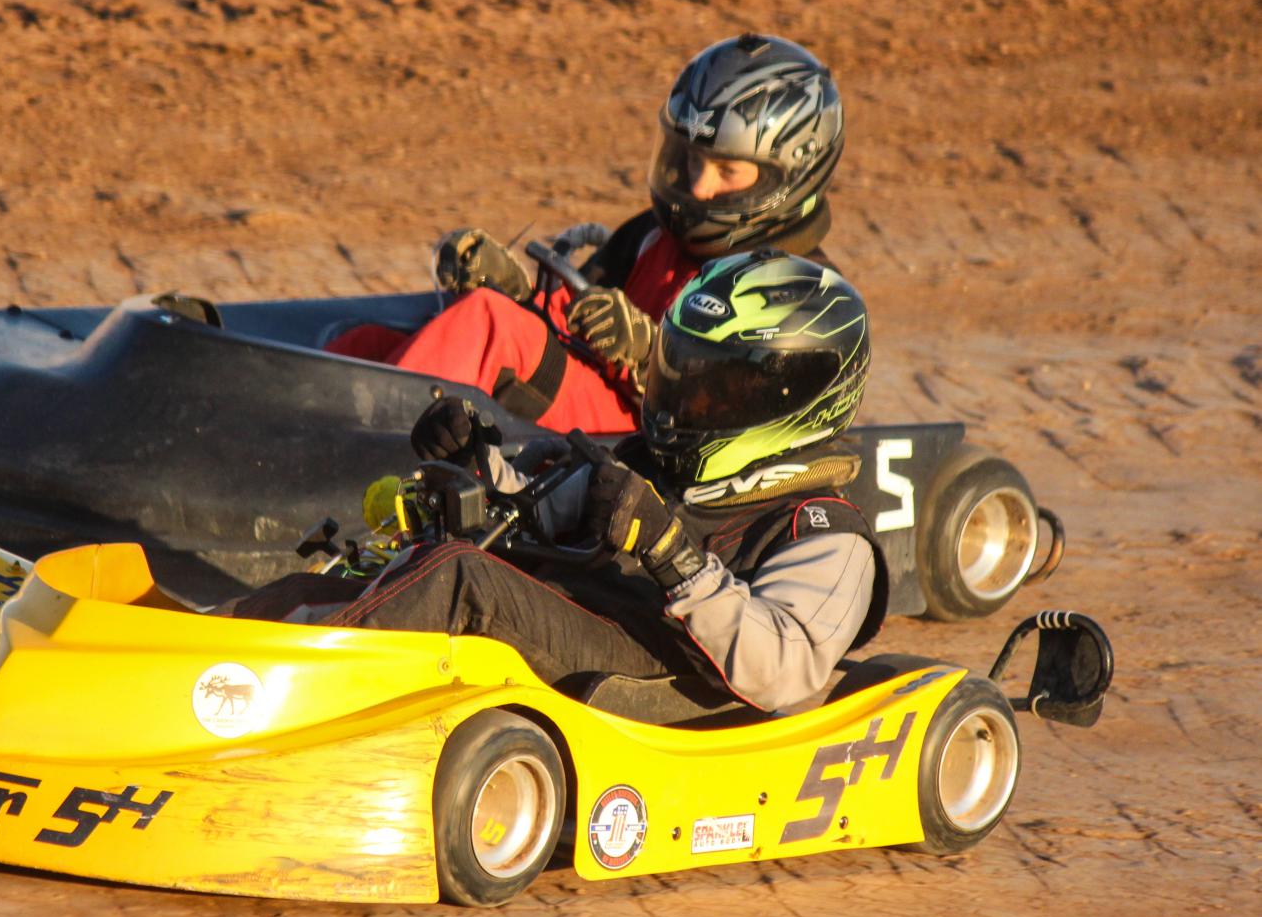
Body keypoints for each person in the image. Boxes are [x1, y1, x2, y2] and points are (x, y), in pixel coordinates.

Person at [235, 251, 885, 712]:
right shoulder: (662, 465)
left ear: (794, 399)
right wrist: (476, 463)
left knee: (461, 578)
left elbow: (783, 672)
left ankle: (267, 700)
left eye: (719, 388)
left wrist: (672, 556)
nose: (690, 399)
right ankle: (211, 659)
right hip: (589, 625)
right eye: (683, 371)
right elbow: (538, 510)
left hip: (670, 688)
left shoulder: (826, 534)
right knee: (368, 565)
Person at [327, 32, 846, 437]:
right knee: (360, 343)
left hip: (647, 451)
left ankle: (365, 480)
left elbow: (751, 415)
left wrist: (650, 353)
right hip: (591, 408)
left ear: (789, 176)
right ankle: (295, 450)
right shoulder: (654, 237)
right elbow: (573, 316)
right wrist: (519, 294)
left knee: (491, 329)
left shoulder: (799, 288)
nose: (697, 186)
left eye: (726, 170)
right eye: (690, 159)